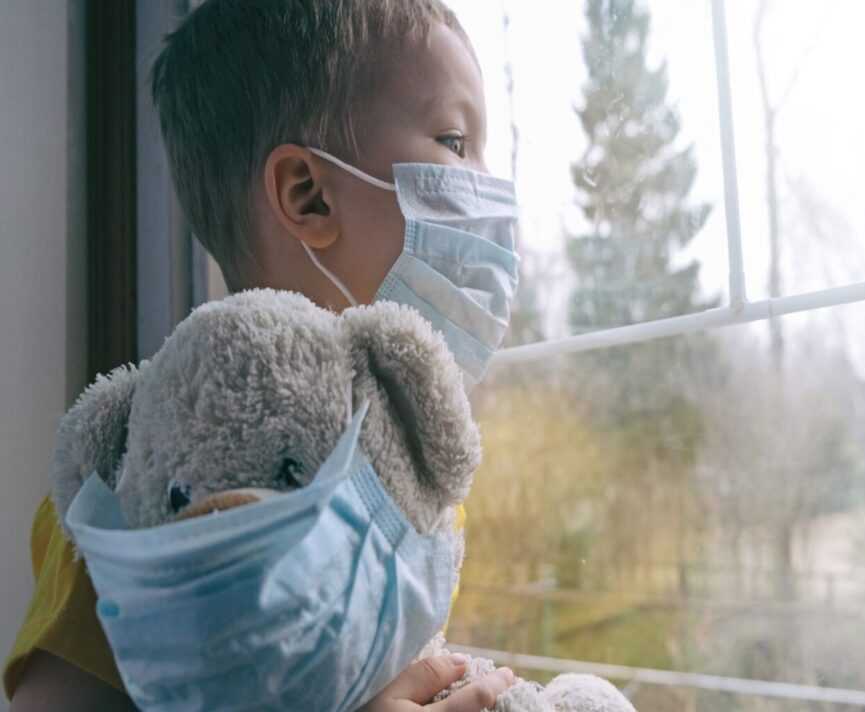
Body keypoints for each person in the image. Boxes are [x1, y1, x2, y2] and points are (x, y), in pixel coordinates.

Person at [5, 1, 516, 709]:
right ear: (308, 196)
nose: (492, 188)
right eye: (456, 142)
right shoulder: (127, 499)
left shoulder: (410, 483)